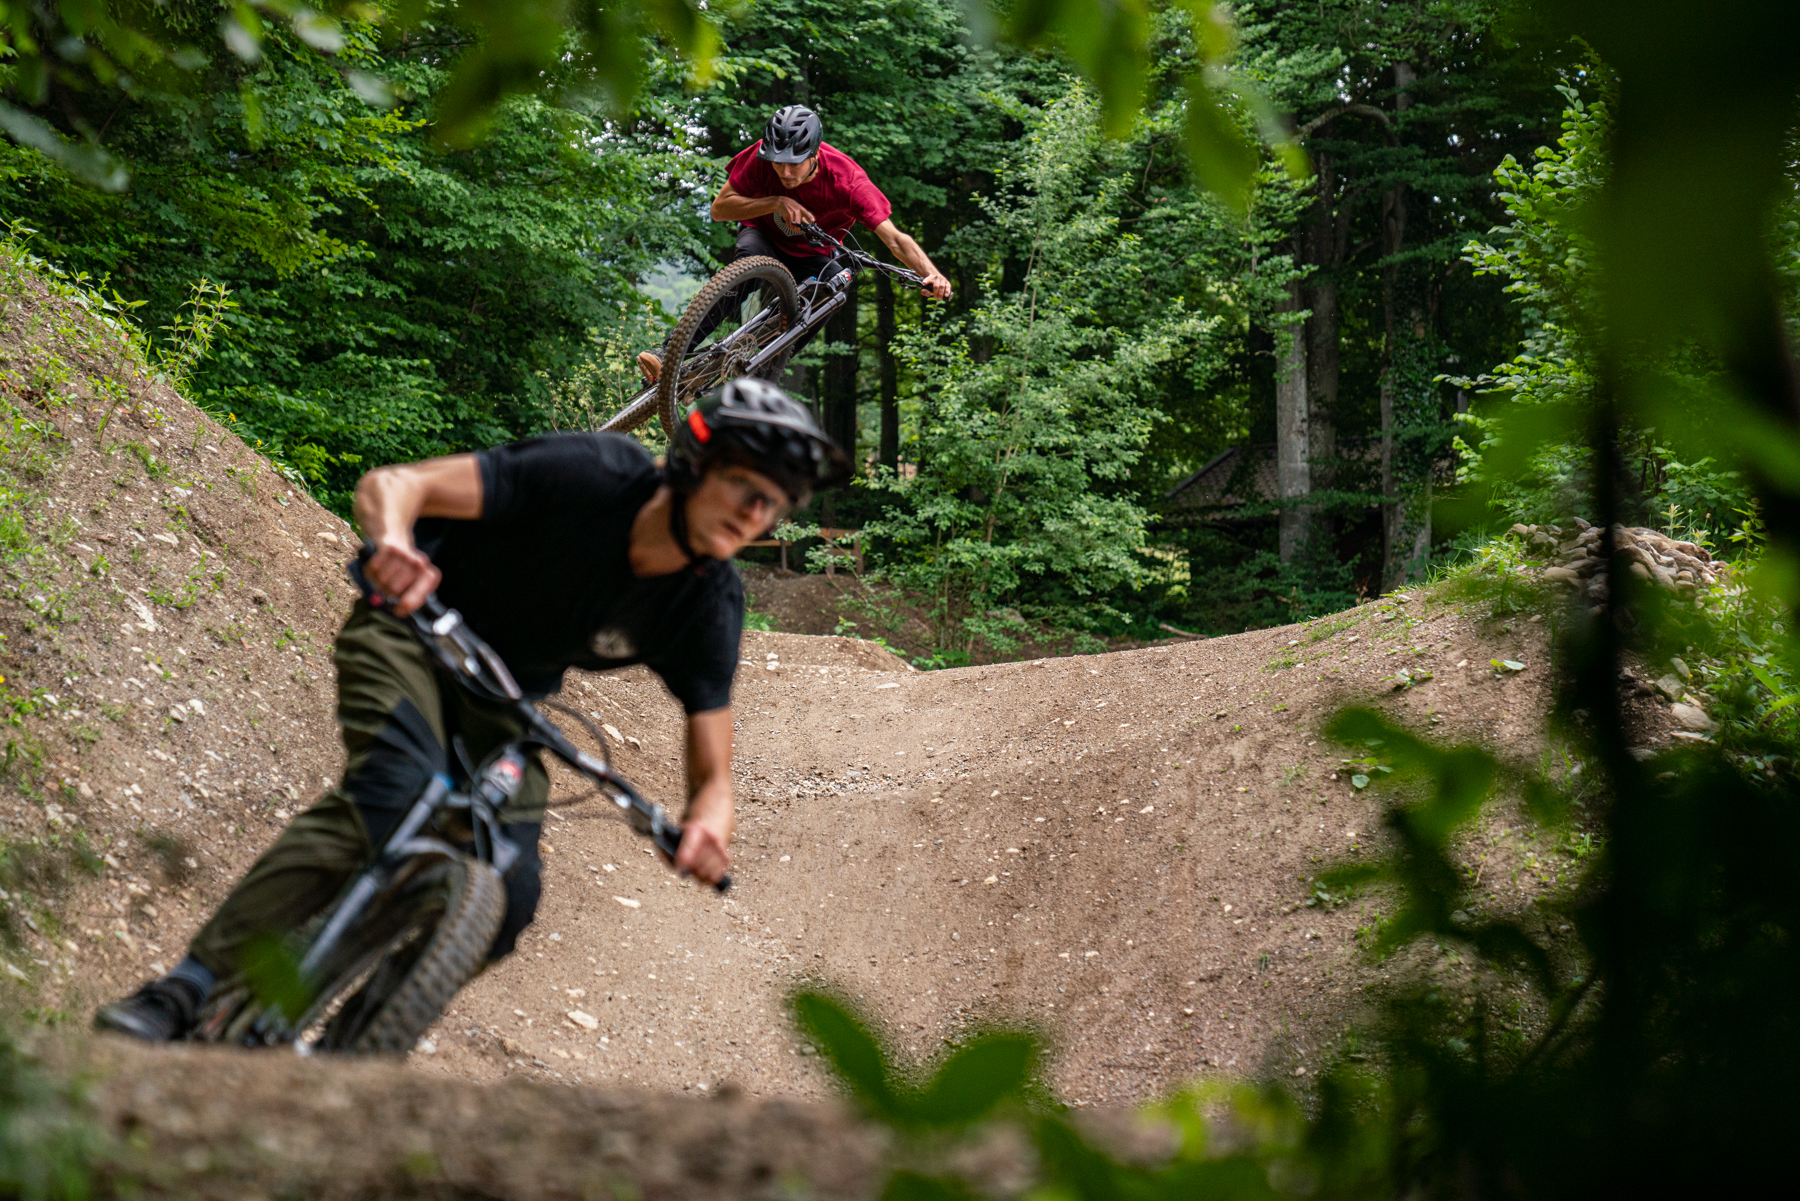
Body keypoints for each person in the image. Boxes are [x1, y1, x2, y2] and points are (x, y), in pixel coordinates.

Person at [93, 379, 850, 1041]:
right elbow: (396, 484)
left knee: (509, 899)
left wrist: (708, 826)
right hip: (415, 632)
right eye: (744, 487)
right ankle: (182, 990)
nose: (755, 514)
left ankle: (353, 1047)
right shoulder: (589, 475)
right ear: (693, 465)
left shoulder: (707, 603)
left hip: (507, 703)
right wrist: (394, 545)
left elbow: (713, 773)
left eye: (773, 505)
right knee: (390, 792)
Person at [637, 104, 952, 382]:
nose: (785, 172)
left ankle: (764, 370)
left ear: (814, 155)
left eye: (794, 163)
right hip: (762, 236)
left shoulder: (848, 181)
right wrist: (775, 202)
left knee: (833, 291)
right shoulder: (762, 156)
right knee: (747, 264)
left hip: (813, 253)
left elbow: (896, 240)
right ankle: (669, 354)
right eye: (778, 163)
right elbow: (720, 209)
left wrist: (933, 275)